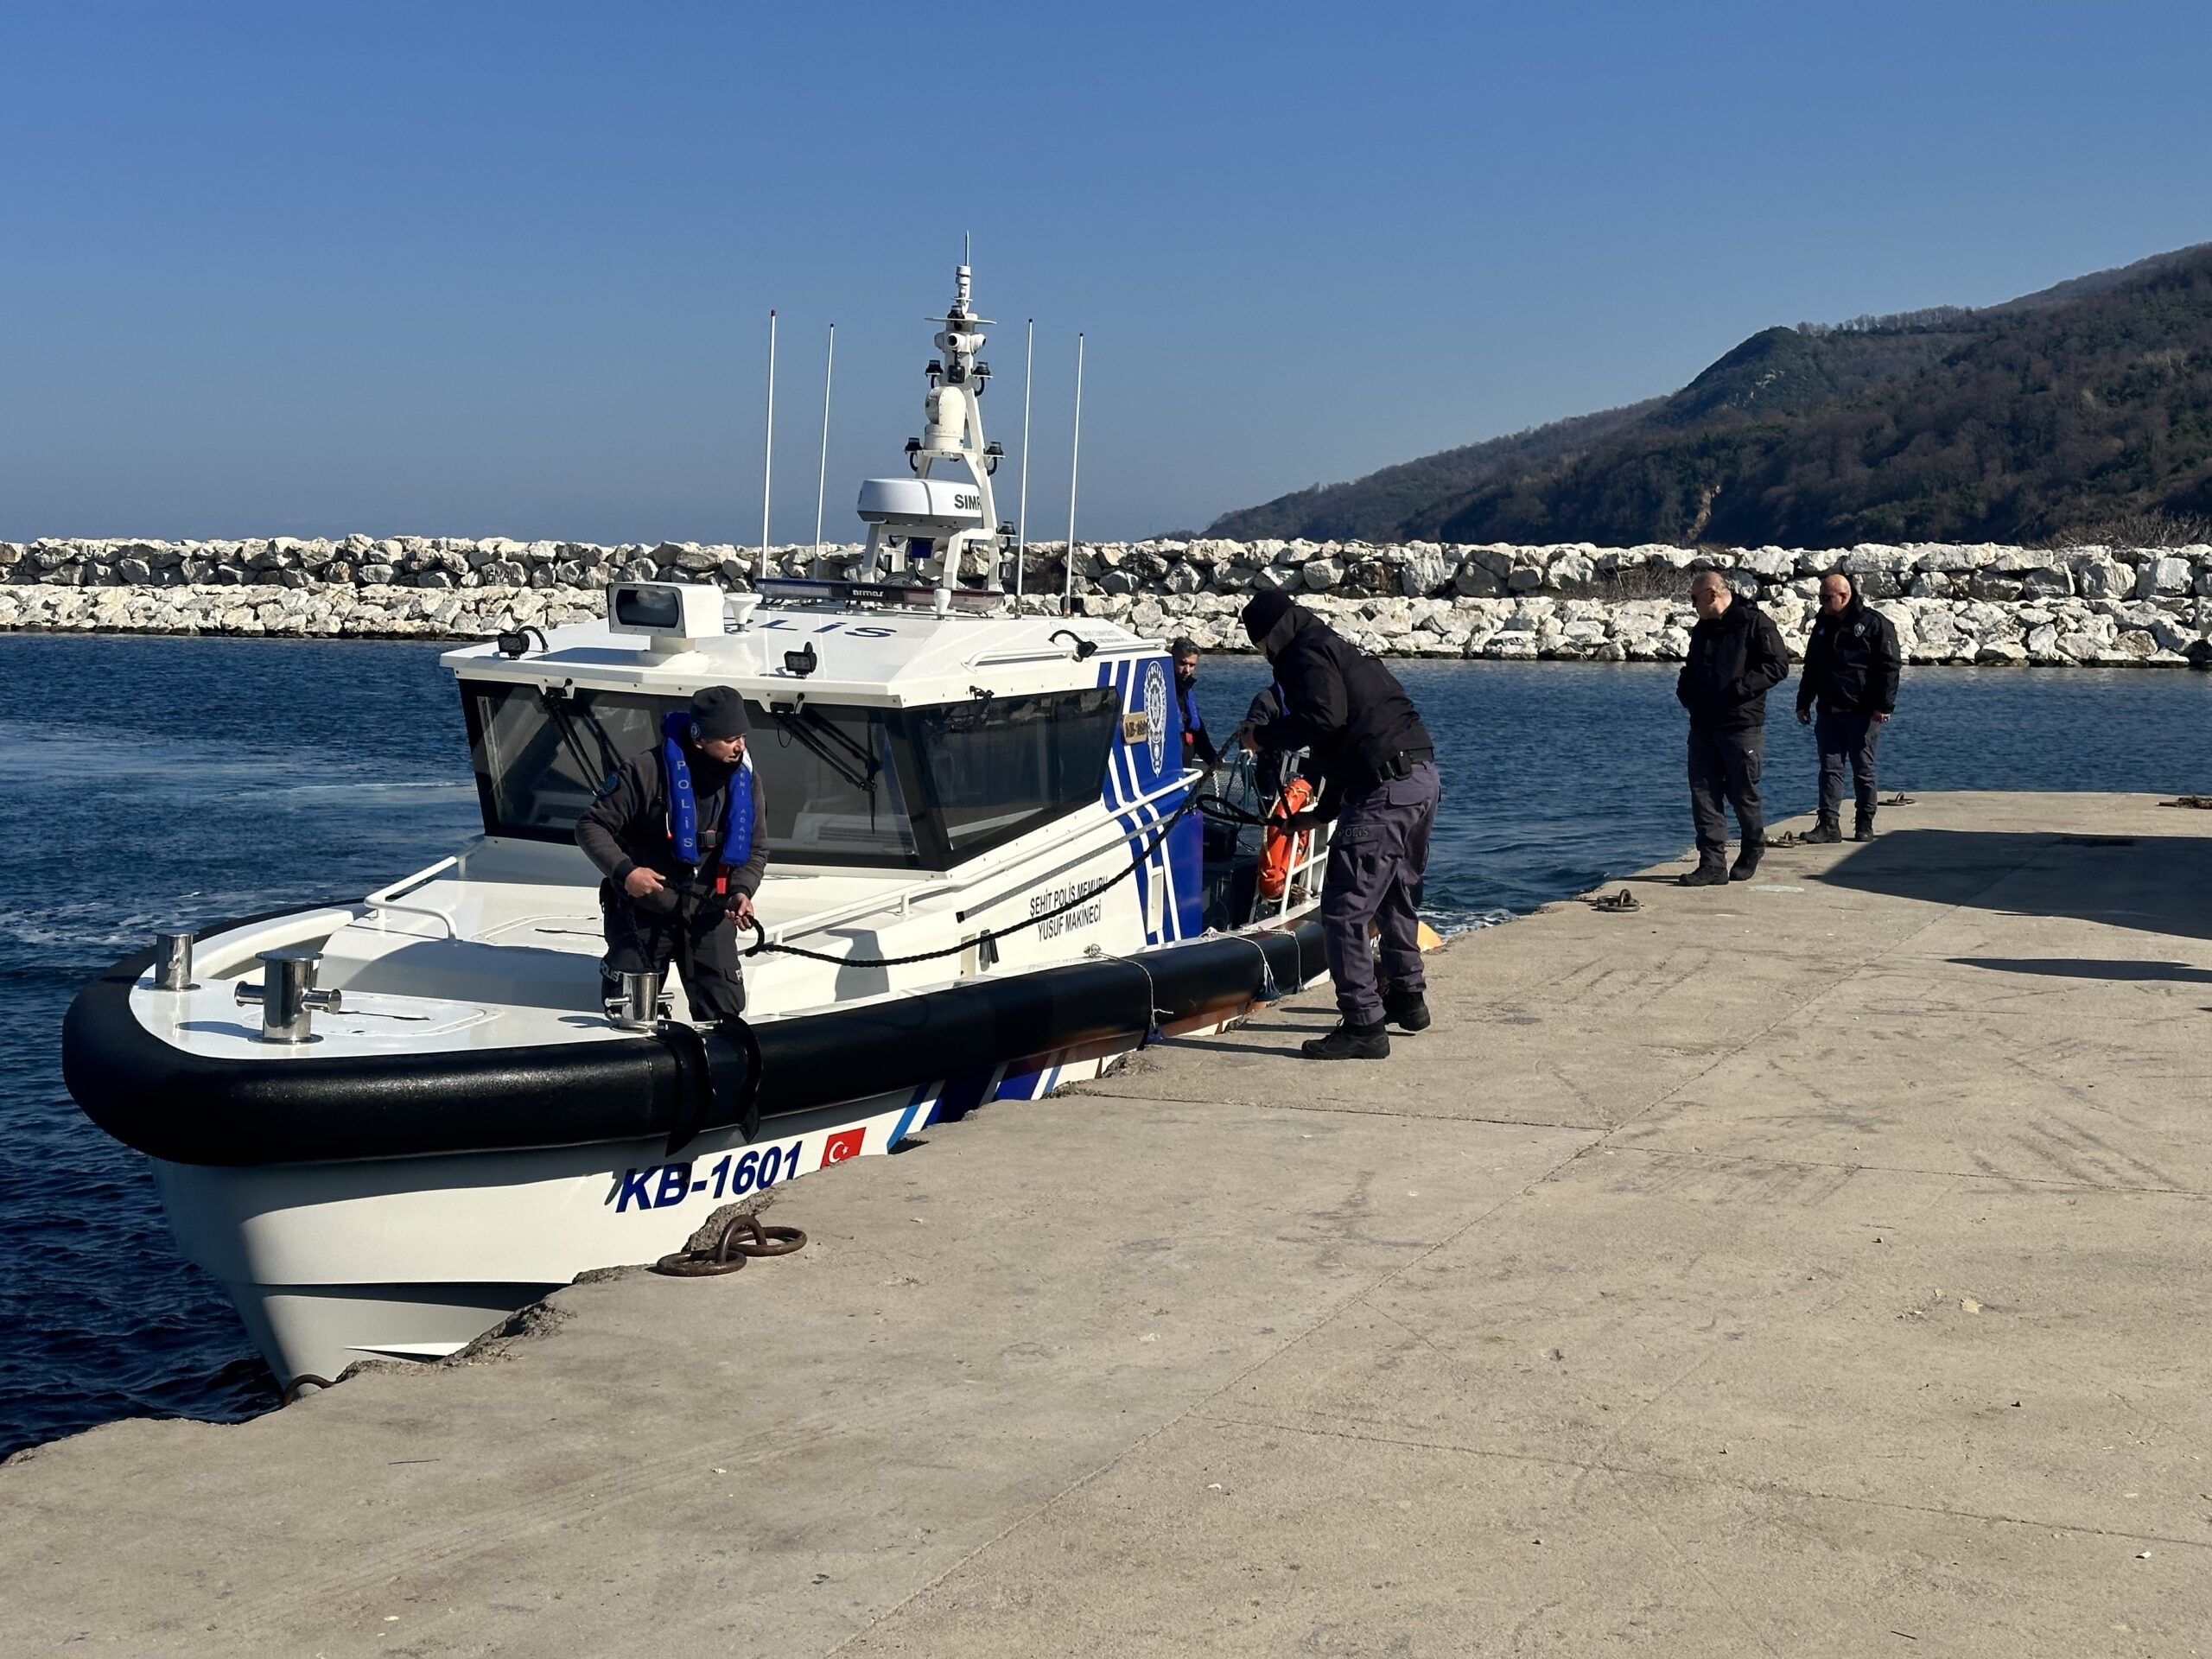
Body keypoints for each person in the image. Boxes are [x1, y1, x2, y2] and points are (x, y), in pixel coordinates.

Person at [1236, 591, 1440, 1061]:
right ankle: (1407, 998)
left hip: (1383, 789)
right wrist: (1324, 812)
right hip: (1421, 779)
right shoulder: (1337, 647)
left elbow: (1323, 719)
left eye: (1260, 646)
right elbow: (1338, 736)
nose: (1264, 657)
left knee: (1343, 911)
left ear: (1269, 636)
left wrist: (1262, 736)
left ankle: (1363, 1024)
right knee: (1394, 894)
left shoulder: (1302, 654)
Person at [577, 685, 768, 1023]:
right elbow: (590, 826)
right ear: (699, 739)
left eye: (742, 736)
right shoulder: (643, 772)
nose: (739, 746)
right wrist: (625, 872)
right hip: (645, 913)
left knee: (725, 1017)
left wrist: (742, 891)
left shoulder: (746, 781)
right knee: (627, 1018)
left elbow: (755, 848)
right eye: (728, 739)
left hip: (711, 912)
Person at [1675, 570, 1789, 887]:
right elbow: (1692, 668)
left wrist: (1739, 689)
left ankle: (1753, 845)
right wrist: (1686, 692)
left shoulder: (1755, 623)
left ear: (1712, 594)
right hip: (1703, 724)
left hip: (1741, 725)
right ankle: (1711, 863)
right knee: (1703, 793)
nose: (1691, 604)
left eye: (1693, 597)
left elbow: (1778, 666)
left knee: (1742, 793)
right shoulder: (1703, 629)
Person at [1796, 571, 1901, 842]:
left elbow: (1889, 667)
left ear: (1845, 596)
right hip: (1829, 711)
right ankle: (1829, 824)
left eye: (1826, 598)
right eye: (1820, 597)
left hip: (1863, 712)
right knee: (1829, 769)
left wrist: (1884, 705)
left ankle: (1864, 823)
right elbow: (1811, 667)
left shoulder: (1874, 624)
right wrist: (1803, 702)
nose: (1822, 603)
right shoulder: (1822, 624)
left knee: (1863, 769)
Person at [1170, 638, 1219, 770]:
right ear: (1171, 659)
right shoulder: (1163, 692)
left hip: (1186, 766)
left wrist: (1213, 759)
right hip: (1170, 767)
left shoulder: (1186, 691)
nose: (1187, 670)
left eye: (1192, 665)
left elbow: (1197, 731)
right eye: (1182, 663)